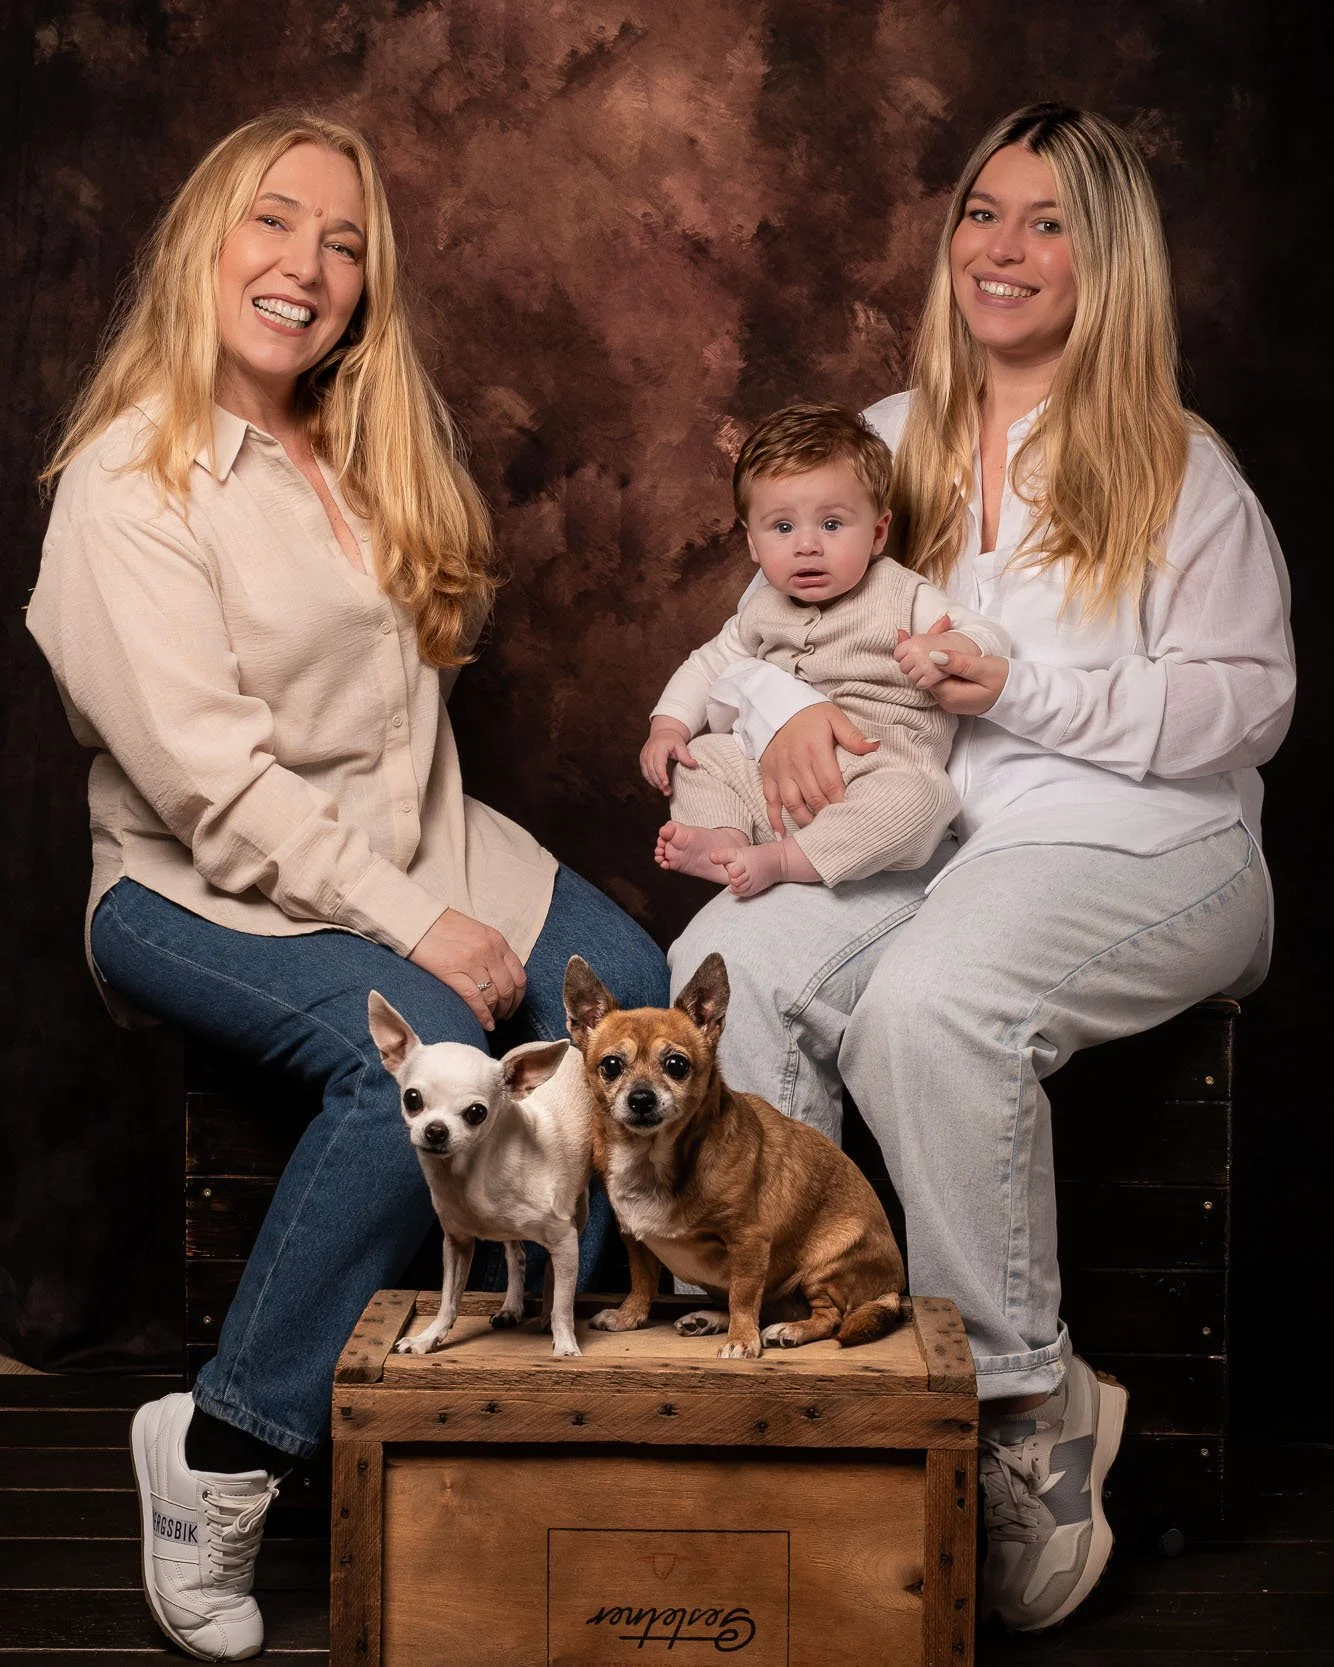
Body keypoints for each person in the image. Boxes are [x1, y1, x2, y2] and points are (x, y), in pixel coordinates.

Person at [27, 110, 668, 1662]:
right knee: (443, 1040)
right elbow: (212, 787)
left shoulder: (360, 446)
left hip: (425, 851)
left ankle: (508, 1405)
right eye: (273, 222)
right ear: (204, 244)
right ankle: (225, 1448)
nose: (306, 267)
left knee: (626, 992)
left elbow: (394, 741)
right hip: (205, 885)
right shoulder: (131, 480)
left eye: (344, 241)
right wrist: (411, 923)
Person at [668, 104, 1294, 1631]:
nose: (1000, 251)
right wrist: (786, 702)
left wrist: (1018, 689)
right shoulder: (887, 438)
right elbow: (756, 627)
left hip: (1144, 841)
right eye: (981, 214)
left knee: (931, 1008)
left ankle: (1022, 1413)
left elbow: (1252, 701)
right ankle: (802, 1406)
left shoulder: (1177, 463)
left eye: (1046, 222)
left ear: (1107, 256)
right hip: (936, 836)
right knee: (724, 976)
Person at [642, 401, 1008, 896]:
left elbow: (988, 635)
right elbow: (708, 664)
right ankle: (724, 841)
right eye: (783, 527)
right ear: (752, 544)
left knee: (923, 799)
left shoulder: (902, 593)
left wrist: (948, 646)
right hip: (776, 780)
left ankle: (787, 859)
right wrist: (668, 725)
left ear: (878, 532)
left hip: (878, 770)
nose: (807, 546)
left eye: (832, 525)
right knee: (701, 758)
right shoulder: (760, 610)